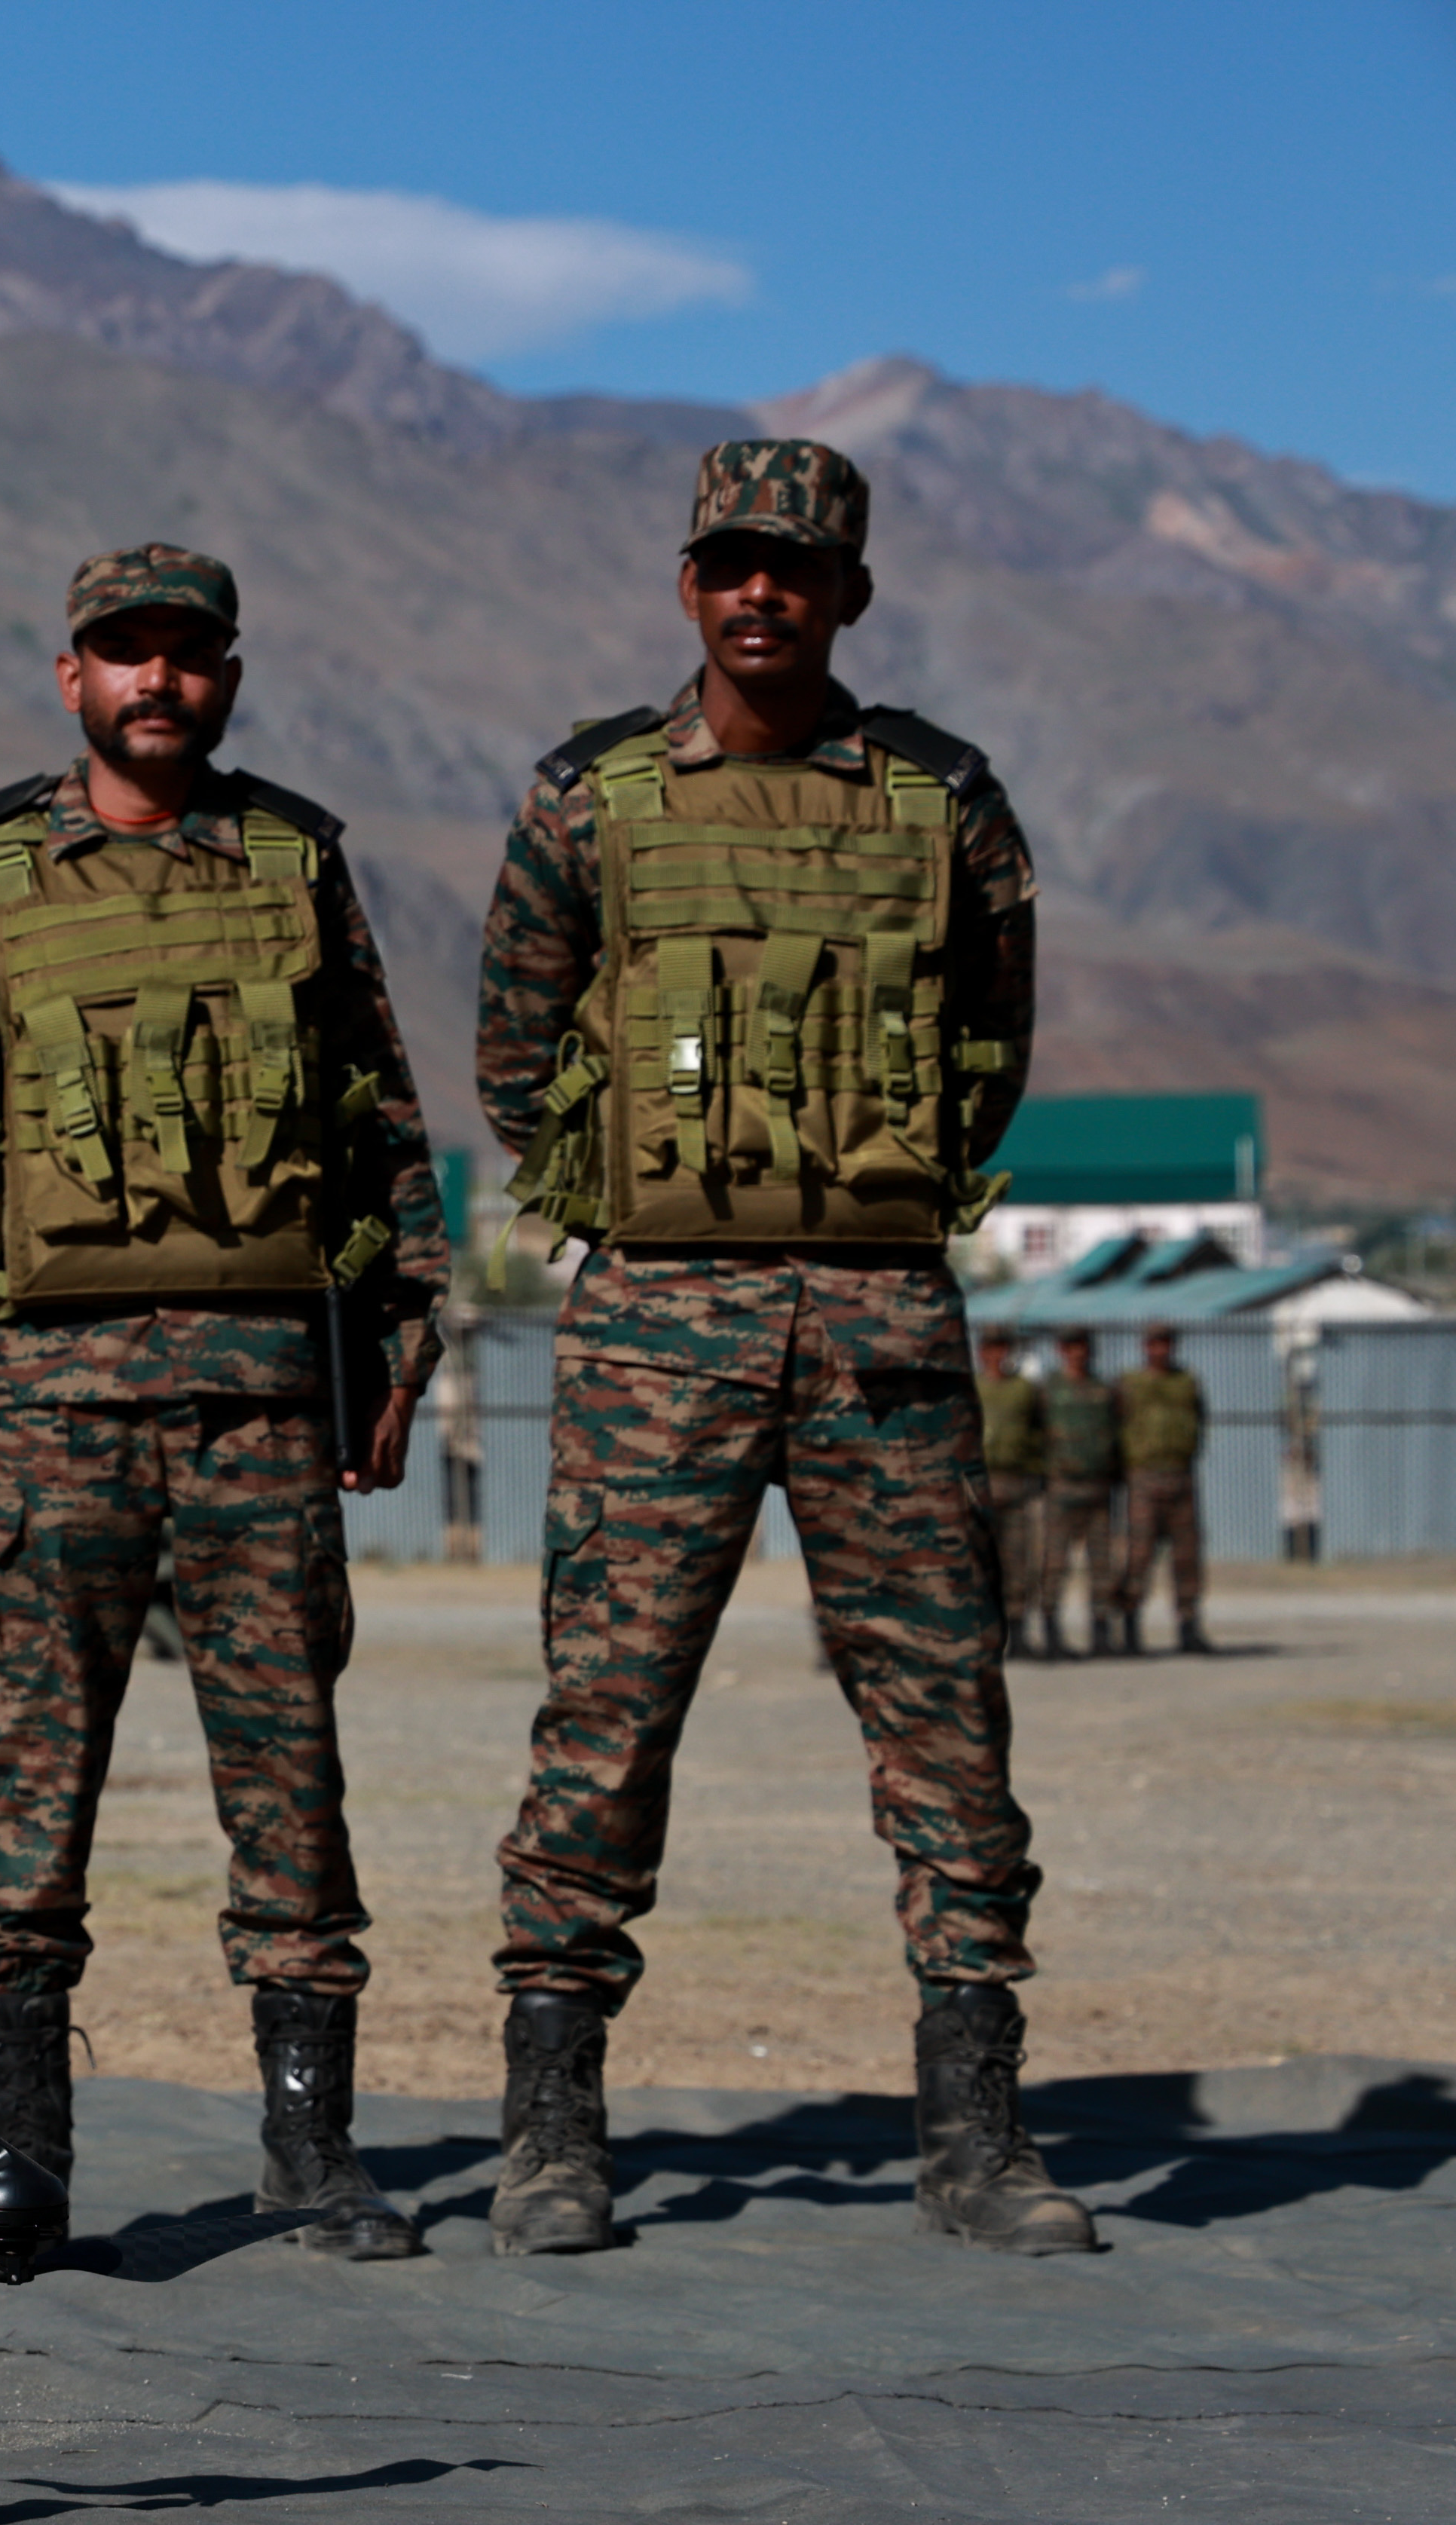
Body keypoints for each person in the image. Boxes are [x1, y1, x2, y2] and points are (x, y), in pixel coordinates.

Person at [476, 440, 1094, 2260]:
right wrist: (660, 1209)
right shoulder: (585, 800)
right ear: (687, 585)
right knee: (601, 1726)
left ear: (848, 596)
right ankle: (548, 2133)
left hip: (882, 1323)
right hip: (655, 1330)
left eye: (796, 568)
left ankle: (975, 2136)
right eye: (729, 563)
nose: (760, 593)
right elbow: (515, 1056)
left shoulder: (945, 806)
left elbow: (987, 1047)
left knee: (946, 1734)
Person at [0, 542, 452, 2262]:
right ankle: (19, 2167)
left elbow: (378, 1131)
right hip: (49, 1409)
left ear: (224, 676)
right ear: (68, 679)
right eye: (119, 656)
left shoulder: (294, 866)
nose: (154, 685)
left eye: (184, 657)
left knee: (287, 1788)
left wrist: (397, 1357)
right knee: (26, 1799)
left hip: (261, 1407)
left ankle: (307, 2155)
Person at [1116, 1321, 1212, 1654]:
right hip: (1144, 1478)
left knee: (1187, 1558)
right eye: (1154, 1344)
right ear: (1145, 1346)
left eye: (1166, 1344)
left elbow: (1200, 1422)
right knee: (1139, 1557)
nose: (1160, 1350)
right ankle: (1129, 1628)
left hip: (1180, 1477)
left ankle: (1189, 1626)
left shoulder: (1186, 1383)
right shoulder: (1130, 1385)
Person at [1041, 1328, 1121, 1658]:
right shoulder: (1048, 1391)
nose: (1078, 1353)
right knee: (1055, 1565)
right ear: (1062, 1350)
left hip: (1098, 1489)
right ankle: (1052, 1635)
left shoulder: (1103, 1390)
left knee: (1101, 1566)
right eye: (1071, 1347)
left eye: (1083, 1347)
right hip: (1061, 1488)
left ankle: (1101, 1634)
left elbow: (1117, 1433)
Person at [976, 1332, 1048, 1657]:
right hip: (978, 1486)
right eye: (992, 1348)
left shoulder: (1025, 1391)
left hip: (1016, 1484)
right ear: (981, 1352)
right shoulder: (971, 1389)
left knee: (1018, 1564)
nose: (997, 1355)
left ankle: (1017, 1633)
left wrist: (1036, 1471)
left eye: (1003, 1348)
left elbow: (1039, 1433)